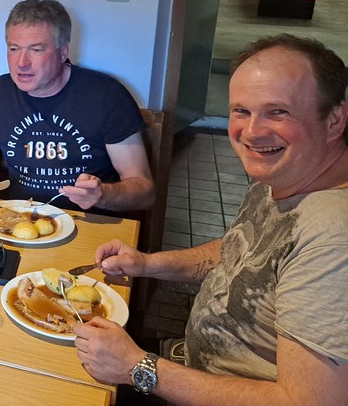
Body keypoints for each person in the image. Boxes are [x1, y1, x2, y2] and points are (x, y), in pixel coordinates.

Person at [74, 35, 348, 403]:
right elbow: (240, 252)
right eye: (241, 111)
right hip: (190, 362)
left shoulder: (333, 238)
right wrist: (146, 264)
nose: (253, 132)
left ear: (334, 119)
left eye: (278, 112)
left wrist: (136, 367)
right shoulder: (284, 175)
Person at [0, 0, 154, 212]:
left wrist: (102, 195)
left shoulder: (106, 95)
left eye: (36, 50)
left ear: (63, 52)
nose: (22, 63)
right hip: (19, 220)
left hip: (91, 223)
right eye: (14, 49)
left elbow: (144, 191)